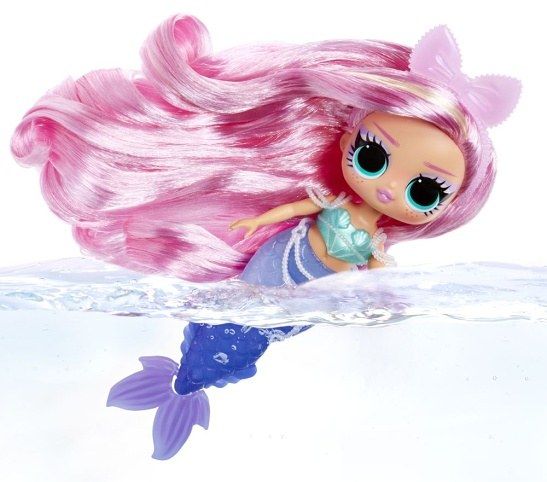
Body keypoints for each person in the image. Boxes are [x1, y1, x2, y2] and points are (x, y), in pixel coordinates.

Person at [11, 15, 521, 459]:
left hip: (307, 298)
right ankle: (186, 377)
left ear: (452, 204)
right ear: (349, 138)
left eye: (425, 191)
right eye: (373, 156)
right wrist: (256, 223)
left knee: (260, 334)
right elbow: (300, 208)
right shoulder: (335, 204)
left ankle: (192, 384)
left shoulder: (373, 243)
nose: (388, 188)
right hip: (281, 261)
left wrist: (382, 294)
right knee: (241, 317)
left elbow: (373, 273)